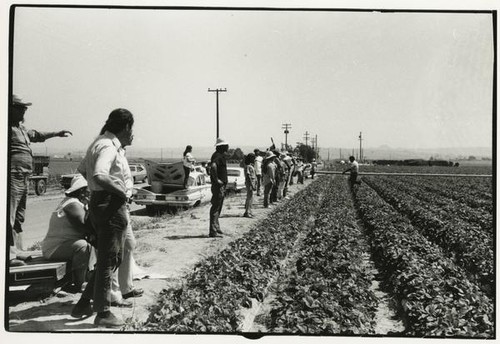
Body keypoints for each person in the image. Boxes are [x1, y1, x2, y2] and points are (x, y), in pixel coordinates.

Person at [72, 108, 134, 328]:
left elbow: (82, 171)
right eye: (131, 127)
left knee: (110, 258)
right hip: (111, 205)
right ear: (126, 126)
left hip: (99, 202)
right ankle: (103, 313)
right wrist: (119, 190)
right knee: (109, 260)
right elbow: (99, 174)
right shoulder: (109, 146)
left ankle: (83, 303)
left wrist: (95, 190)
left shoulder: (97, 142)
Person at [9, 94, 72, 266]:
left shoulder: (21, 129)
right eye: (21, 108)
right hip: (12, 174)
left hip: (23, 176)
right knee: (9, 215)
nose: (24, 111)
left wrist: (57, 133)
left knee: (18, 217)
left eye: (25, 108)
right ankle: (7, 256)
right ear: (10, 108)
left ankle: (16, 251)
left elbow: (36, 134)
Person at [41, 174, 92, 290]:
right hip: (55, 247)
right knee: (83, 246)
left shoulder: (76, 203)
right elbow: (84, 226)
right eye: (89, 190)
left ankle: (85, 276)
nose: (91, 193)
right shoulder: (72, 204)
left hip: (65, 244)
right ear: (82, 191)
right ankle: (80, 283)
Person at [209, 138, 229, 238]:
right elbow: (213, 166)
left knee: (218, 207)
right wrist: (217, 179)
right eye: (226, 145)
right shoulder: (218, 155)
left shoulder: (220, 155)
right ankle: (213, 231)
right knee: (216, 207)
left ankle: (216, 227)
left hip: (221, 185)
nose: (228, 147)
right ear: (222, 147)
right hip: (218, 186)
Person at [243, 153, 257, 218]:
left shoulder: (250, 166)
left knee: (250, 197)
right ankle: (247, 212)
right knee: (249, 197)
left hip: (251, 182)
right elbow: (248, 176)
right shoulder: (248, 166)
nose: (254, 159)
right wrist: (252, 184)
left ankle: (249, 211)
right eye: (253, 158)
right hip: (250, 183)